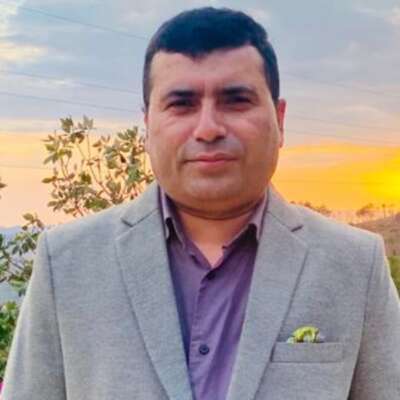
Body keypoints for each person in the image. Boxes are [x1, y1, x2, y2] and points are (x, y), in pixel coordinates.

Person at [2, 7, 400, 400]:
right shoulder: (68, 262)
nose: (208, 128)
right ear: (147, 124)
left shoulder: (353, 264)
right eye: (182, 104)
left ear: (280, 120)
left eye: (236, 100)